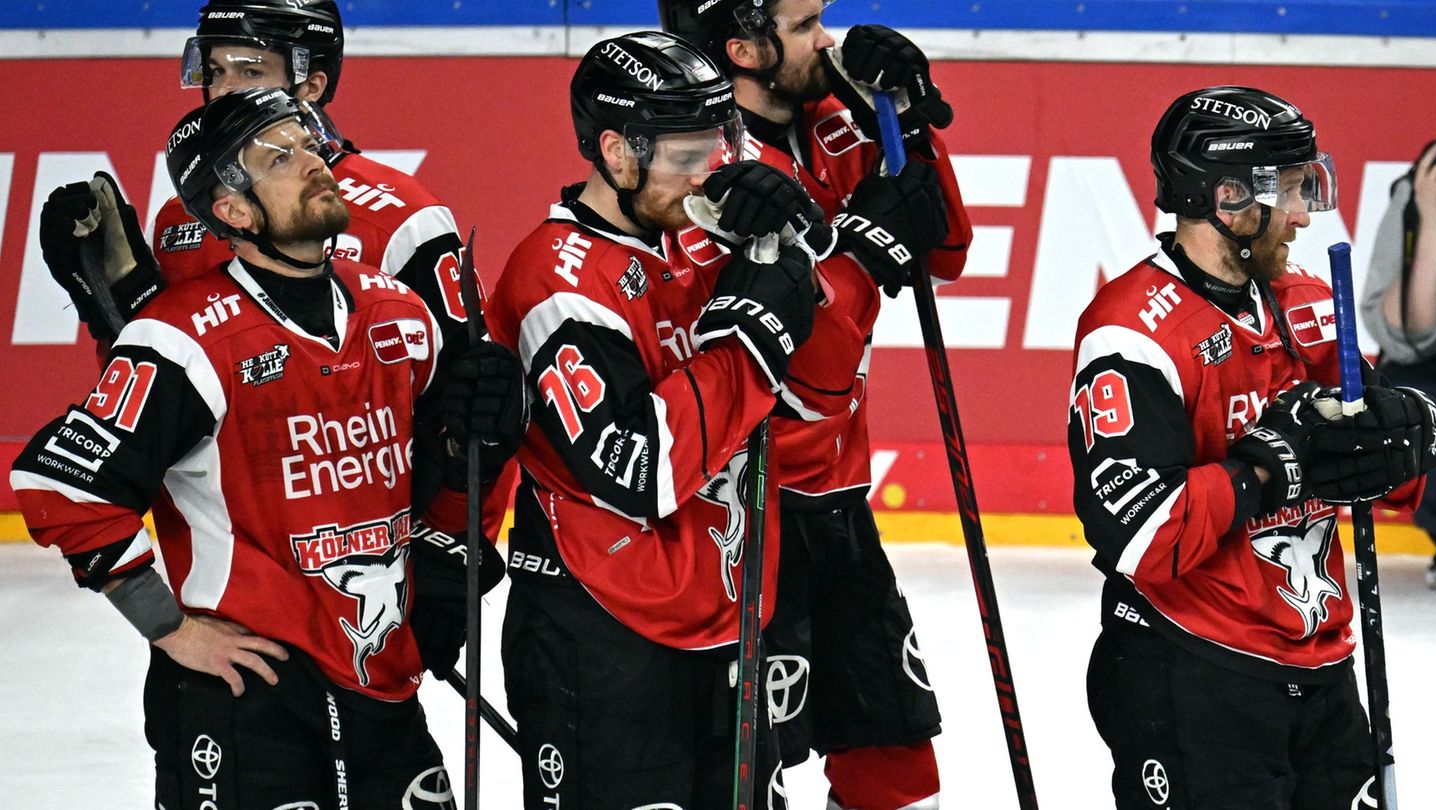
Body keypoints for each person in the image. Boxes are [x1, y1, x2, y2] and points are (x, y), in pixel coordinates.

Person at [10, 87, 524, 809]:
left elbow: (452, 460)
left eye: (308, 142)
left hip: (380, 684)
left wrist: (490, 428)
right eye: (277, 156)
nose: (313, 161)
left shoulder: (398, 313)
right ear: (233, 211)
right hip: (249, 699)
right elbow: (63, 488)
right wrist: (170, 627)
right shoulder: (182, 338)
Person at [486, 30, 878, 808]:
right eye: (687, 153)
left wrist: (797, 253)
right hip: (603, 635)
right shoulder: (557, 283)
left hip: (727, 619)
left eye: (720, 143)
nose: (712, 171)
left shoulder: (701, 241)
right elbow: (643, 468)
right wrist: (751, 334)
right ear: (617, 152)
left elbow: (817, 398)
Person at [1069, 85, 1436, 809]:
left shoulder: (1304, 301)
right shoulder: (1132, 332)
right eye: (1295, 191)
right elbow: (1143, 537)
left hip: (1321, 670)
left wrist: (1413, 428)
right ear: (1228, 196)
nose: (1306, 214)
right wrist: (1269, 467)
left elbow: (1380, 476)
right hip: (1193, 676)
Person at [36, 0, 517, 543]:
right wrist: (110, 310)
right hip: (227, 579)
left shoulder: (401, 216)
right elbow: (159, 400)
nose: (222, 90)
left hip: (371, 566)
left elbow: (476, 410)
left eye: (249, 70)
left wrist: (453, 549)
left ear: (310, 85)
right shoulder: (185, 214)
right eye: (215, 71)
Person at [659, 2, 970, 807]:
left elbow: (948, 249)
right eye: (804, 26)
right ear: (742, 47)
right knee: (747, 779)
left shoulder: (833, 115)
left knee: (897, 764)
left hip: (835, 500)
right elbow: (806, 377)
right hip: (743, 513)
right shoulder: (708, 170)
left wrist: (904, 118)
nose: (827, 40)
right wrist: (863, 252)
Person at [1361, 138, 1436, 588]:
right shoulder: (1418, 192)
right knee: (1411, 402)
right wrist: (1430, 218)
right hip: (1429, 366)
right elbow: (1409, 337)